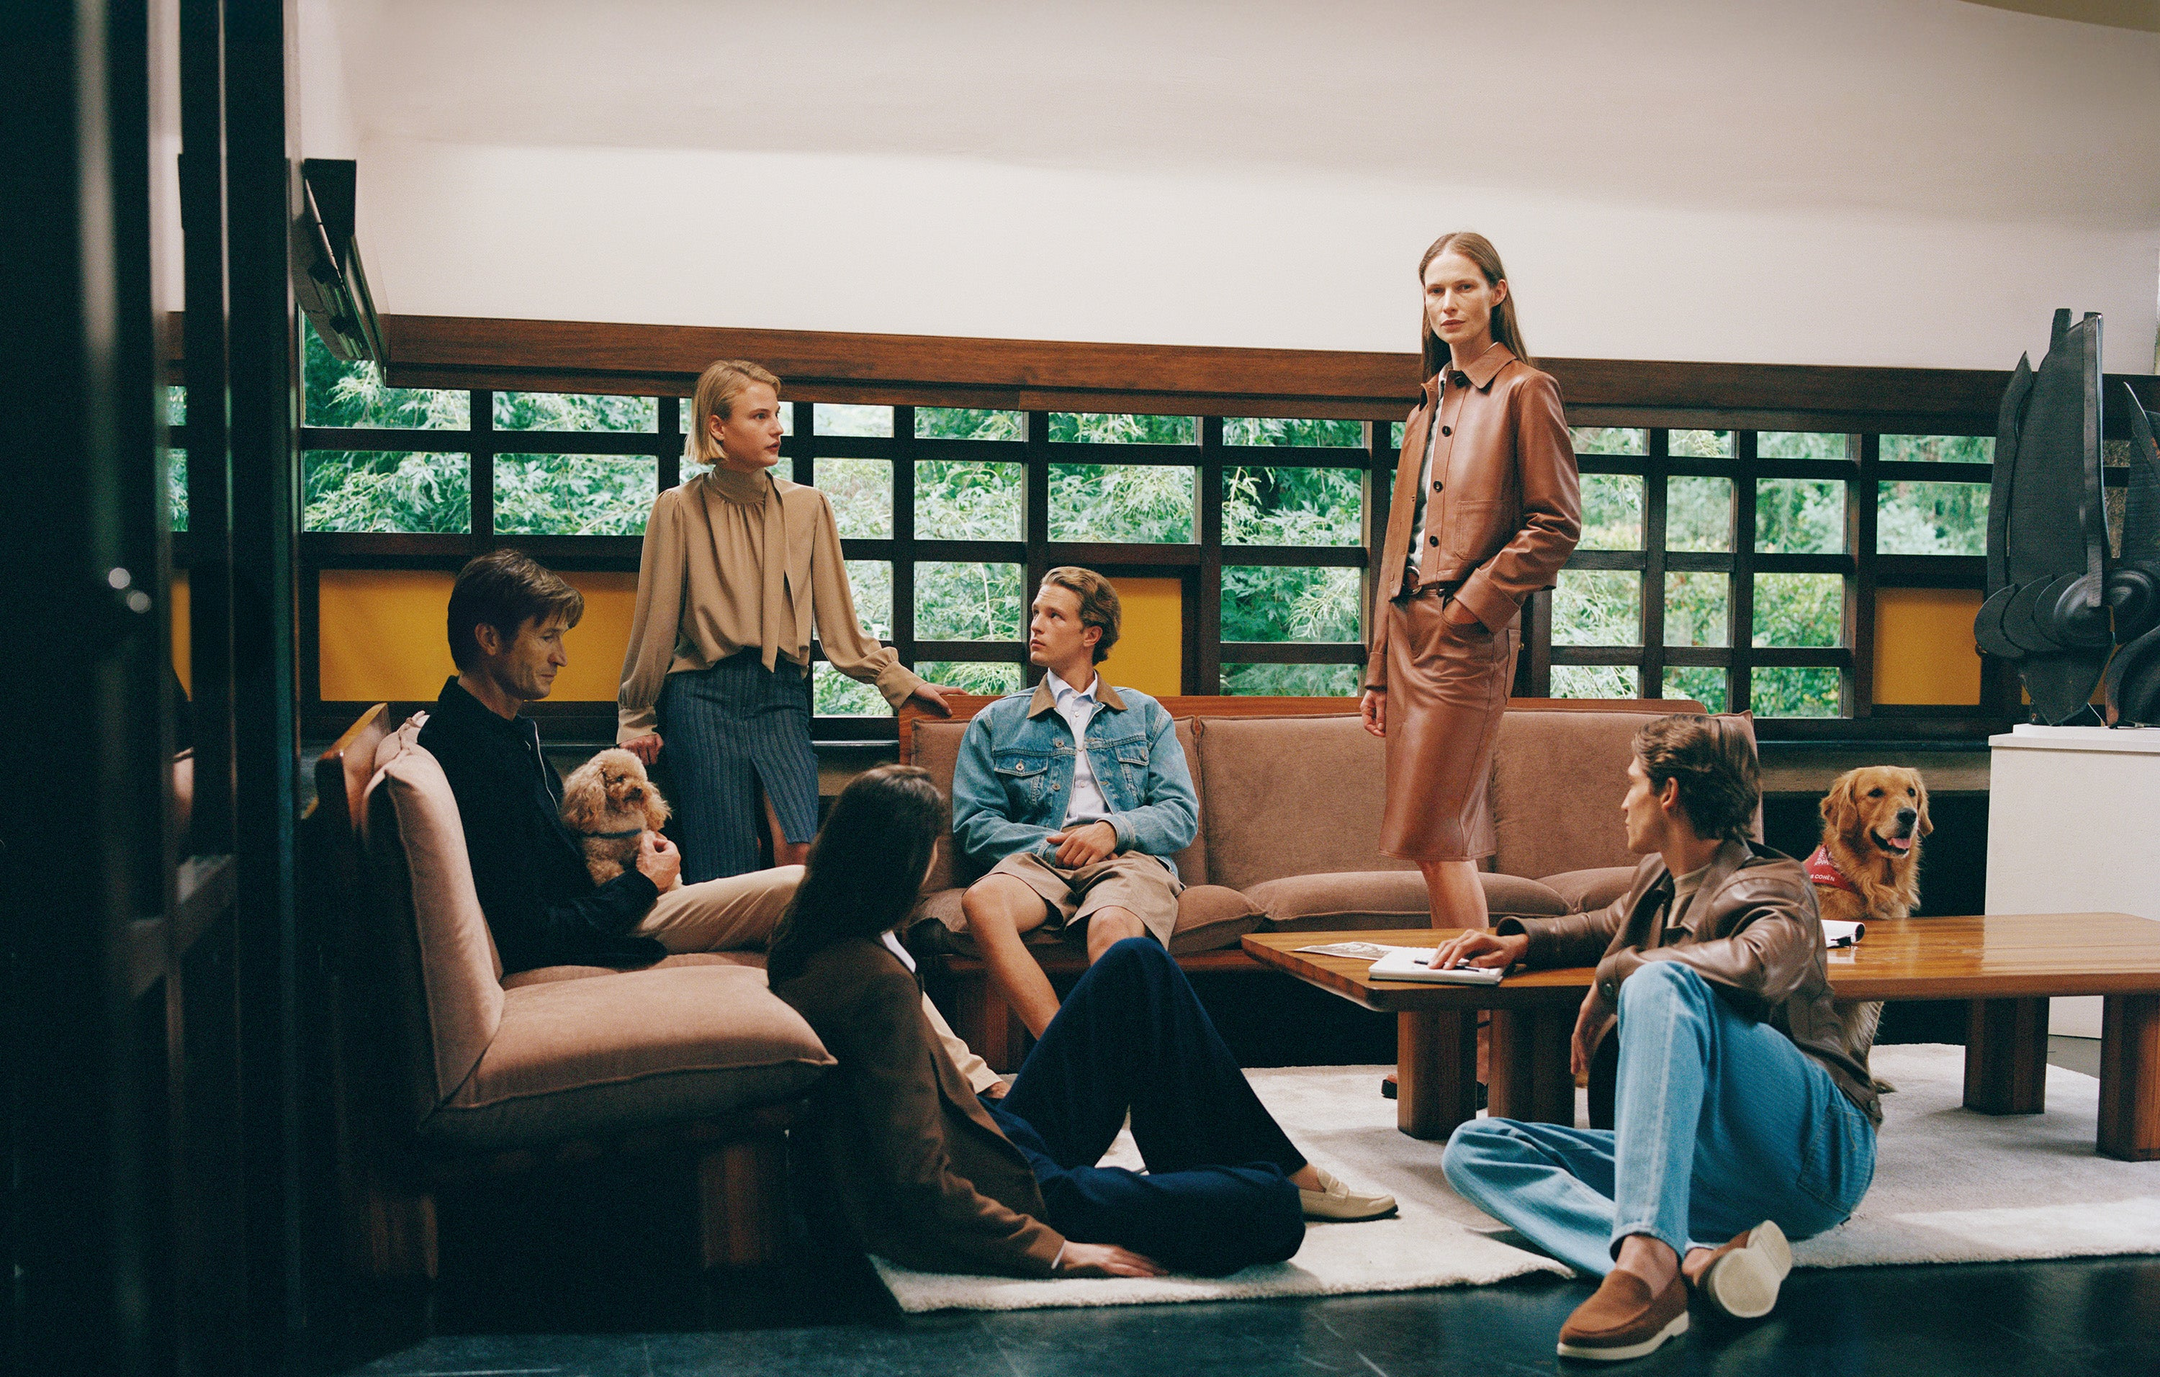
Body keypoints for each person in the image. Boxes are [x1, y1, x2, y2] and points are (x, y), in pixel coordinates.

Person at [769, 764, 1397, 1281]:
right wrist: (1055, 1251)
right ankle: (1256, 1175)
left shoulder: (815, 935)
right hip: (1023, 1188)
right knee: (1271, 1208)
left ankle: (1234, 1167)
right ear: (905, 865)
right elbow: (915, 1179)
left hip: (997, 1127)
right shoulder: (874, 985)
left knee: (1134, 963)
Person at [1434, 715, 1879, 1363]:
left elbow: (1758, 964)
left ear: (1668, 792)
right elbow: (1602, 923)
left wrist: (1618, 973)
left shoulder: (1778, 884)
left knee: (1660, 982)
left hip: (1817, 1154)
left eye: (1632, 783)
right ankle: (1693, 1259)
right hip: (1710, 1173)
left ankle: (1645, 1266)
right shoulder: (1659, 877)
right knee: (1476, 1148)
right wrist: (1521, 941)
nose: (1623, 800)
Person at [616, 359, 957, 882]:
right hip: (701, 698)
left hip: (781, 694)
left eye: (777, 414)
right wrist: (637, 713)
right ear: (717, 427)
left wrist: (899, 681)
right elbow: (654, 623)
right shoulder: (678, 508)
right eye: (760, 416)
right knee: (724, 861)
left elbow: (840, 626)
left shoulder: (809, 507)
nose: (777, 427)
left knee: (798, 850)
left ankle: (795, 941)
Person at [417, 549, 802, 975]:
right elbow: (533, 933)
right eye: (547, 637)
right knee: (793, 886)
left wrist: (642, 852)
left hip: (607, 901)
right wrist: (643, 882)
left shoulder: (503, 732)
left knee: (798, 888)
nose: (561, 657)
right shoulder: (471, 752)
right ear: (489, 639)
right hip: (602, 925)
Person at [1360, 232, 1581, 933]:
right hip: (1406, 637)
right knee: (1431, 845)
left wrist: (1469, 609)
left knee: (1440, 835)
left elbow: (1556, 524)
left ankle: (1468, 987)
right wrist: (1377, 670)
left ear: (1497, 292)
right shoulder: (1423, 409)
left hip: (1465, 638)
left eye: (1463, 287)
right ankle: (1460, 987)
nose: (1447, 303)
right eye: (1435, 290)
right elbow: (1396, 547)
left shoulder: (1526, 390)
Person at [949, 568, 1192, 1038]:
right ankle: (1063, 1052)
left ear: (1090, 635)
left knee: (1112, 927)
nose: (1035, 625)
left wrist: (1112, 831)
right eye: (1035, 612)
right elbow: (975, 823)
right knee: (982, 900)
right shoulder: (996, 721)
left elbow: (1179, 813)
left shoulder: (1145, 715)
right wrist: (1055, 846)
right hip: (1039, 861)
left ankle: (1100, 1061)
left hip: (1125, 859)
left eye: (1054, 616)